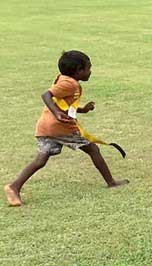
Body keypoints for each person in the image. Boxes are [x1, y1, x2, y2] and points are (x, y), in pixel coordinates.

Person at [6, 51, 128, 206]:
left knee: (41, 160)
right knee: (93, 149)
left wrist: (83, 109)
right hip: (61, 128)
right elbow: (46, 95)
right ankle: (111, 182)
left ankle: (14, 186)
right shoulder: (69, 84)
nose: (90, 71)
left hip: (46, 127)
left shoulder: (64, 79)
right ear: (78, 71)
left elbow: (64, 105)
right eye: (88, 68)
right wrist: (57, 113)